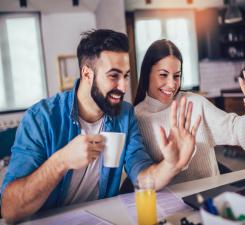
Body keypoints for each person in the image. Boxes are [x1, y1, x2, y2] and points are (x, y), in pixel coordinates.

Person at [0, 30, 201, 222]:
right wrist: (61, 161)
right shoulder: (40, 119)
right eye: (114, 76)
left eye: (126, 76)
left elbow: (142, 177)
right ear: (87, 74)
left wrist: (172, 164)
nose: (123, 87)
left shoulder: (125, 115)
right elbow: (10, 210)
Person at [134, 39, 245, 185]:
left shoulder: (195, 102)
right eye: (163, 75)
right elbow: (142, 178)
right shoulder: (136, 118)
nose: (172, 84)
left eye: (176, 76)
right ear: (146, 73)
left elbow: (232, 128)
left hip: (209, 197)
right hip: (167, 204)